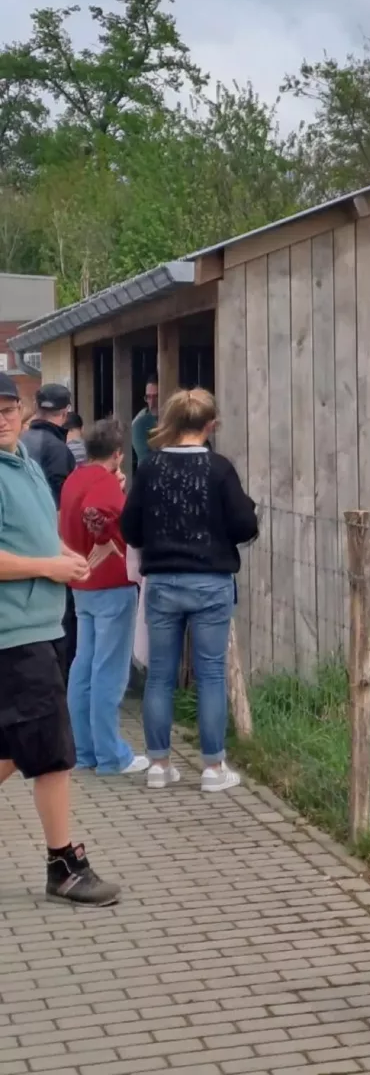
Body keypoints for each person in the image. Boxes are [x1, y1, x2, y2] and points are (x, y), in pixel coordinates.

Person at [0, 372, 120, 906]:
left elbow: (34, 538)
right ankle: (64, 866)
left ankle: (63, 863)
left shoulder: (22, 461)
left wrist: (61, 558)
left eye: (7, 406)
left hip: (40, 625)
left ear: (23, 411)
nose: (1, 416)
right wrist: (47, 566)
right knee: (53, 755)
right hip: (15, 635)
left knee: (11, 746)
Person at [121, 387, 258, 794]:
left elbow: (129, 528)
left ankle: (159, 764)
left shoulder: (150, 468)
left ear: (173, 423)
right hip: (211, 581)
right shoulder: (219, 469)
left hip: (162, 581)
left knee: (160, 674)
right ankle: (213, 769)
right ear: (210, 425)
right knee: (211, 673)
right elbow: (244, 526)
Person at [60, 419, 149, 778]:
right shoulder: (105, 482)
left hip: (81, 585)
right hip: (112, 583)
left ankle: (85, 751)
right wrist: (102, 542)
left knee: (84, 666)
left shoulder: (74, 479)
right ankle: (113, 756)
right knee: (108, 672)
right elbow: (96, 511)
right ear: (116, 454)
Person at [22, 384, 78, 679]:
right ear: (66, 411)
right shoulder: (58, 449)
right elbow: (58, 509)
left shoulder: (22, 441)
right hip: (49, 549)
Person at [130, 376, 159, 468]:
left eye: (156, 396)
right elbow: (145, 458)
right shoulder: (139, 423)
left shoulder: (176, 417)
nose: (152, 402)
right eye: (148, 397)